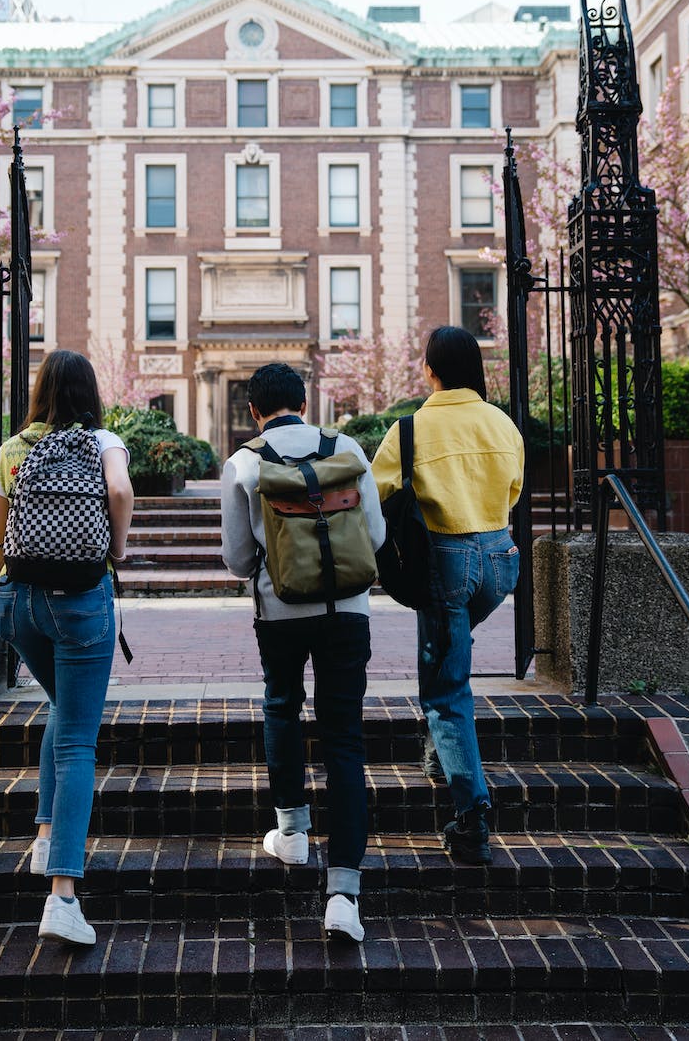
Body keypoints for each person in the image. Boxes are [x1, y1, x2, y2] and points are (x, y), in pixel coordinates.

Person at [220, 362, 386, 943]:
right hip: (349, 611)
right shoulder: (347, 448)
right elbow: (378, 537)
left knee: (282, 706)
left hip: (280, 612)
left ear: (253, 409)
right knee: (344, 737)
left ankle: (291, 833)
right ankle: (343, 894)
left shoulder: (244, 462)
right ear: (305, 401)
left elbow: (238, 560)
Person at [0, 349, 134, 945]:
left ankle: (45, 833)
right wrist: (114, 551)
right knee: (77, 739)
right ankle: (62, 898)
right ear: (90, 393)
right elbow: (119, 492)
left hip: (18, 605)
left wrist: (21, 575)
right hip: (81, 601)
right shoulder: (103, 442)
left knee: (60, 708)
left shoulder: (12, 451)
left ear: (40, 391)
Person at [371, 326, 524, 864]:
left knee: (447, 691)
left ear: (430, 370)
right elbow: (514, 491)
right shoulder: (502, 423)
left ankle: (471, 815)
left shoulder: (410, 430)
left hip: (446, 560)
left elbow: (376, 495)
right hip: (502, 560)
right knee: (449, 653)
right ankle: (440, 753)